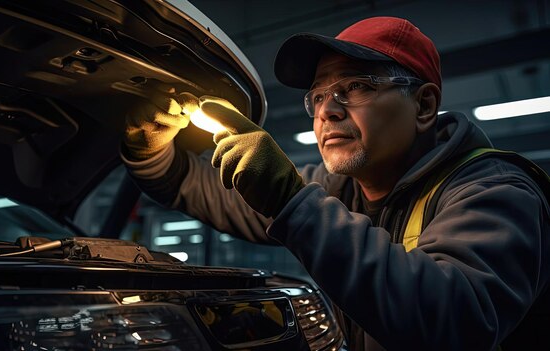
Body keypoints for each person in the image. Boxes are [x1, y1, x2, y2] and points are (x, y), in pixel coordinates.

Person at [121, 16, 550, 350]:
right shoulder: (336, 190)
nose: (327, 111)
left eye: (356, 86)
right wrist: (150, 152)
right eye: (320, 96)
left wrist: (291, 200)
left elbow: (454, 325)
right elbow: (202, 190)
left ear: (423, 106)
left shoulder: (495, 192)